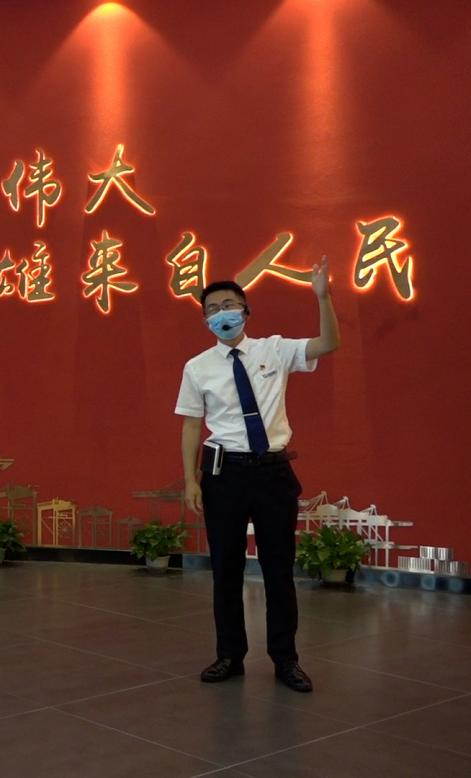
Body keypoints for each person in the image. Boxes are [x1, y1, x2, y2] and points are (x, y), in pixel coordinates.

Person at [175, 257, 340, 694]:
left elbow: (328, 344)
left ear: (246, 311)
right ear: (205, 319)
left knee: (278, 569)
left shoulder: (275, 350)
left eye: (229, 305)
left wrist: (323, 297)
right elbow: (191, 425)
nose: (222, 314)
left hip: (272, 473)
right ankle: (229, 655)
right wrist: (190, 480)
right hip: (223, 474)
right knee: (225, 569)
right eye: (212, 309)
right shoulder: (197, 367)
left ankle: (286, 659)